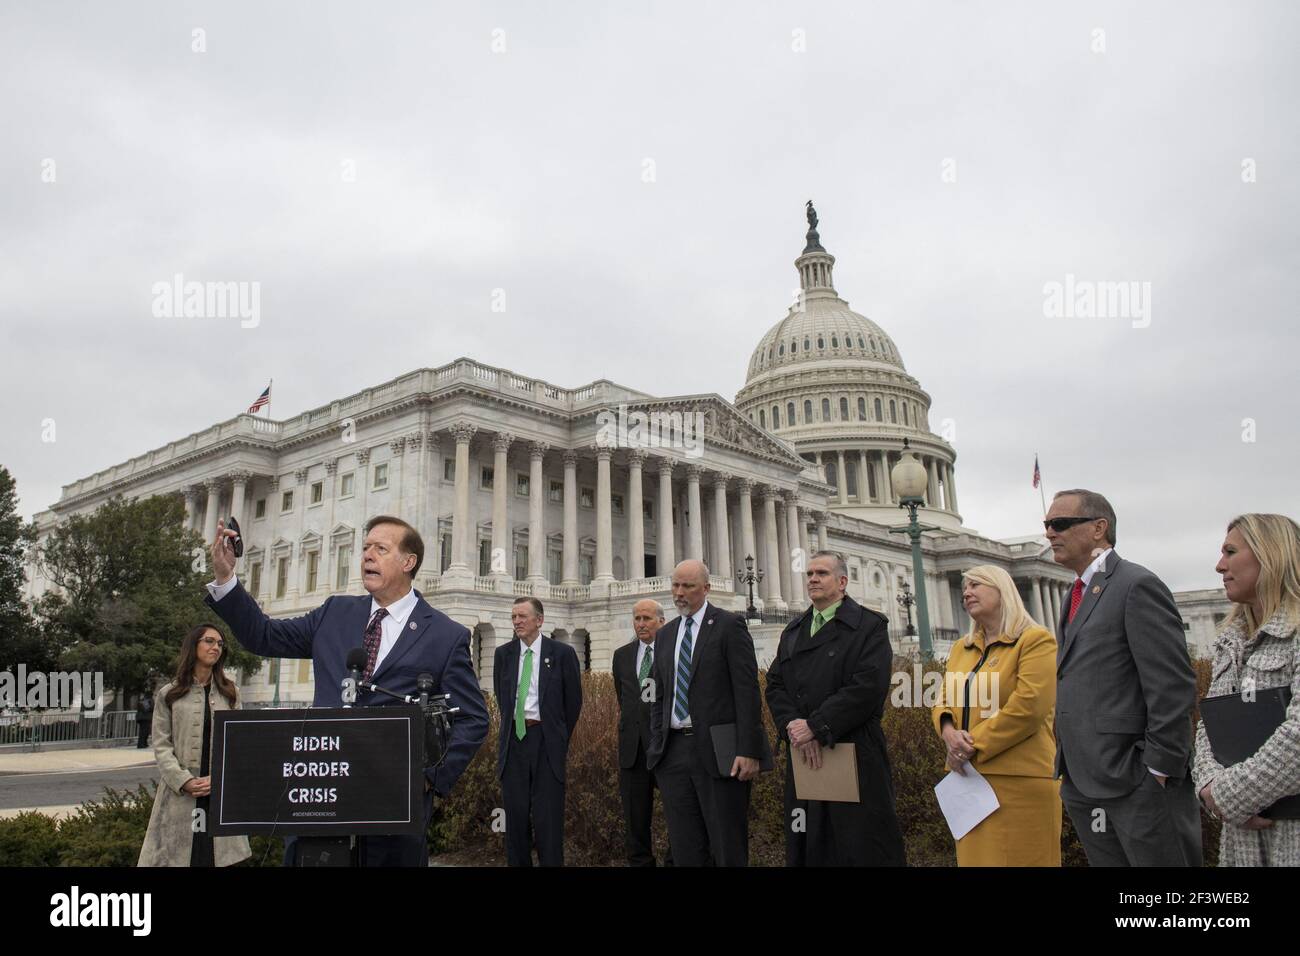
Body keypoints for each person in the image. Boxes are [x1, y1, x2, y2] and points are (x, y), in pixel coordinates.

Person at [205, 514, 488, 866]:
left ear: (408, 562)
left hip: (392, 814)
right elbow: (262, 635)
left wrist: (428, 780)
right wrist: (226, 578)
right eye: (365, 547)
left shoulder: (446, 636)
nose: (367, 555)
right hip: (320, 803)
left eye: (380, 549)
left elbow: (474, 719)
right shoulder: (334, 613)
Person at [1046, 488, 1201, 866]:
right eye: (1047, 525)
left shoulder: (1136, 585)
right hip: (1084, 782)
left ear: (1099, 528)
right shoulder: (1074, 593)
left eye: (1061, 524)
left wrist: (1158, 768)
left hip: (1136, 782)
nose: (1050, 533)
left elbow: (1172, 684)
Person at [766, 551, 905, 865]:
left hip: (853, 749)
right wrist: (792, 725)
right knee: (809, 843)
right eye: (810, 573)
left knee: (860, 845)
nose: (813, 578)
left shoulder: (870, 626)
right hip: (804, 753)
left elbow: (867, 688)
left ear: (842, 582)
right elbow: (775, 684)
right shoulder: (793, 630)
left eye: (822, 573)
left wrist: (816, 726)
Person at [931, 565, 1060, 865]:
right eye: (964, 587)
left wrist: (970, 745)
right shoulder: (961, 649)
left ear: (1002, 591)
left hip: (1021, 782)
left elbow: (1029, 708)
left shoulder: (1035, 641)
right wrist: (949, 734)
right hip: (969, 783)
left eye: (976, 585)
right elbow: (943, 699)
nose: (966, 592)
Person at [1194, 513, 1300, 866]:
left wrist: (1228, 796)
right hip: (1242, 838)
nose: (1219, 565)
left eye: (1230, 551)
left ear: (1270, 555)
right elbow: (1208, 728)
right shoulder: (1230, 643)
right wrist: (1209, 788)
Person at [647, 559, 764, 867]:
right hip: (673, 753)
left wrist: (748, 748)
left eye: (688, 586)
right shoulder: (666, 634)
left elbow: (747, 690)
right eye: (675, 585)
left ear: (706, 589)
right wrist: (656, 746)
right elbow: (660, 696)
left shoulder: (728, 625)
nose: (679, 593)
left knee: (727, 845)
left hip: (720, 750)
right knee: (686, 848)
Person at [138, 624, 251, 867]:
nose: (215, 647)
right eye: (209, 641)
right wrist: (183, 780)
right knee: (181, 858)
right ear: (194, 646)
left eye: (220, 644)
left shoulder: (231, 693)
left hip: (218, 795)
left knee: (217, 859)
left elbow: (238, 744)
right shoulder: (170, 693)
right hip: (180, 796)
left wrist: (219, 778)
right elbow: (161, 745)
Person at [493, 597, 582, 866]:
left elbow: (573, 702)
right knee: (515, 822)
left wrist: (558, 737)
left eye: (522, 616)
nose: (517, 621)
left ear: (539, 620)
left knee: (548, 821)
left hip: (547, 744)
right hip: (515, 742)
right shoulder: (503, 654)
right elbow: (502, 698)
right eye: (514, 617)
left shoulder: (562, 654)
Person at [612, 599, 672, 866]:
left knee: (678, 816)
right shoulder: (622, 655)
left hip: (668, 747)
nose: (641, 624)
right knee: (635, 821)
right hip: (633, 750)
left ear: (662, 621)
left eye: (647, 618)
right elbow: (625, 699)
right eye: (637, 619)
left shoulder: (673, 653)